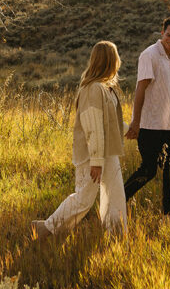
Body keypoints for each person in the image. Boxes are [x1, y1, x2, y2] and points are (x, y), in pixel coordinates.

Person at [32, 40, 127, 238]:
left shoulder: (105, 87)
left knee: (115, 195)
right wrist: (96, 161)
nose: (119, 61)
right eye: (116, 57)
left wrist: (134, 130)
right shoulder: (92, 89)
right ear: (110, 60)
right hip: (94, 155)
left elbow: (109, 124)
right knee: (84, 198)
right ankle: (47, 227)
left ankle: (116, 234)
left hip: (108, 152)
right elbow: (93, 128)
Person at [123, 15, 170, 220]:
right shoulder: (149, 55)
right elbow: (140, 90)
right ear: (162, 33)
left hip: (166, 126)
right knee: (148, 170)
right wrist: (136, 122)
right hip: (149, 125)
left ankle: (169, 215)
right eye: (168, 35)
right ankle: (118, 200)